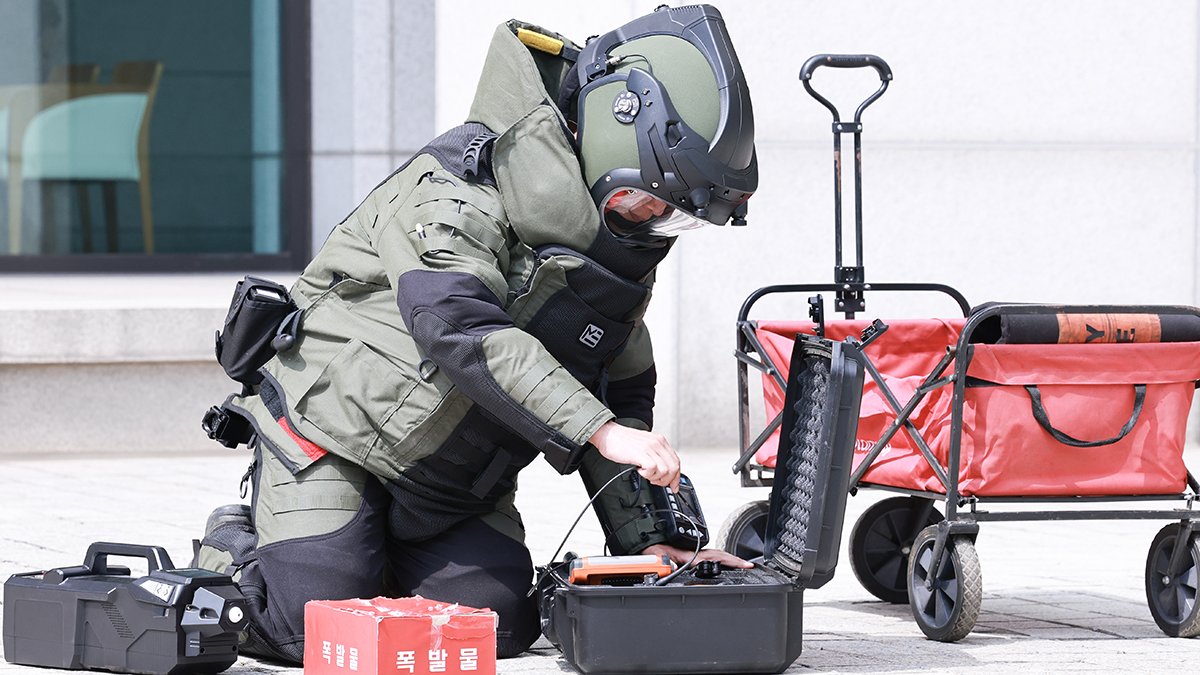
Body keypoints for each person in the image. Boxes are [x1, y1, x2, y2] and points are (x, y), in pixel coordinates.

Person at [194, 3, 757, 662]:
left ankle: (371, 558)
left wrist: (651, 544)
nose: (653, 221)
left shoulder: (612, 245)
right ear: (611, 135)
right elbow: (457, 326)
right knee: (311, 628)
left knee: (496, 630)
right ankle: (238, 539)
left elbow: (621, 385)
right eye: (650, 199)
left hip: (454, 487)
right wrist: (598, 430)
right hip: (332, 439)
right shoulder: (458, 187)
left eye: (672, 215)